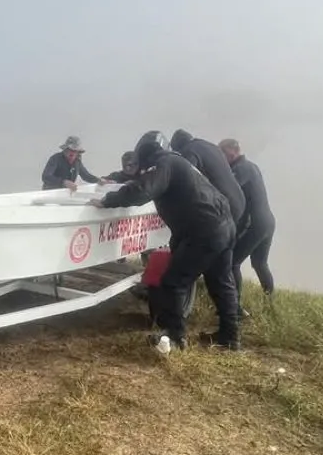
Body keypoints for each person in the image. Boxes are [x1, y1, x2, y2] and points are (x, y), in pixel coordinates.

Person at [92, 131, 240, 351]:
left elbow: (143, 190)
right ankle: (230, 339)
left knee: (173, 281)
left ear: (145, 154)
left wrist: (108, 200)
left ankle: (175, 337)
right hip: (224, 224)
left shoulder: (163, 163)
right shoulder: (177, 162)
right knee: (221, 281)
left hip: (204, 230)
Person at [219, 139, 276, 303]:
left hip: (255, 223)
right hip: (267, 221)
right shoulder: (252, 166)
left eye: (222, 152)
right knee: (259, 263)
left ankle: (235, 306)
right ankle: (269, 302)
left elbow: (229, 192)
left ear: (233, 151)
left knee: (232, 262)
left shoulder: (240, 169)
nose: (221, 158)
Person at [169, 129, 246, 228]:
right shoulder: (211, 146)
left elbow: (184, 178)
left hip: (225, 208)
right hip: (239, 202)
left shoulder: (189, 151)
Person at [41, 136, 107, 191]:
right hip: (50, 192)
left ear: (78, 152)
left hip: (66, 193)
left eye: (75, 151)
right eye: (70, 150)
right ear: (65, 149)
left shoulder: (77, 162)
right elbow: (46, 177)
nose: (72, 153)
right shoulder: (55, 158)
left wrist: (99, 180)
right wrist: (63, 182)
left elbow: (86, 176)